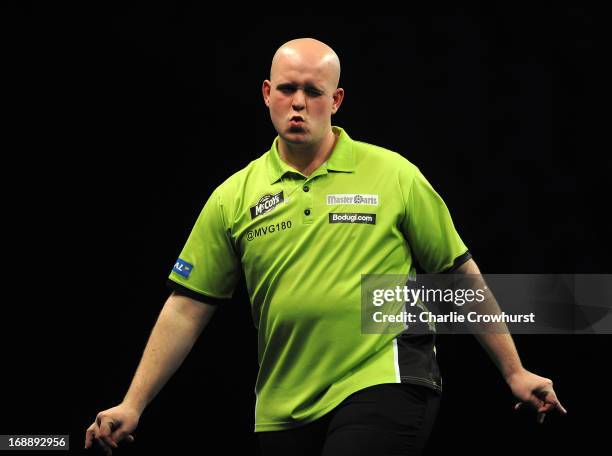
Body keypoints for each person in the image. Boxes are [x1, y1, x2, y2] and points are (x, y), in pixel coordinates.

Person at [85, 37, 567, 456]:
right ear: (267, 94)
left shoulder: (394, 175)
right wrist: (133, 402)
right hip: (282, 404)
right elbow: (187, 306)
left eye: (313, 92)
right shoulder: (234, 196)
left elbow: (458, 273)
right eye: (288, 89)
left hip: (385, 377)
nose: (299, 102)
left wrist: (514, 371)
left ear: (335, 100)